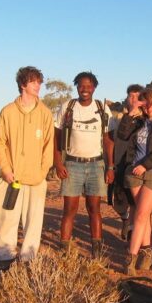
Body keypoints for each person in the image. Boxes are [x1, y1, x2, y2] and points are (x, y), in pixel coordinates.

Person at [0, 66, 54, 271]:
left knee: (33, 221)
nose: (38, 86)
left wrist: (42, 173)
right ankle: (4, 259)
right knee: (5, 219)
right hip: (11, 178)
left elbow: (48, 146)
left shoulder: (44, 113)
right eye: (33, 82)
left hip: (36, 179)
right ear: (22, 84)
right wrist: (6, 170)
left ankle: (28, 259)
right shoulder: (8, 111)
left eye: (39, 82)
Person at [54, 71, 114, 258]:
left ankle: (96, 252)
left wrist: (110, 166)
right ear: (77, 87)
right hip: (72, 164)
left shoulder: (102, 108)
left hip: (96, 165)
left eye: (89, 86)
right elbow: (56, 138)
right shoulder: (68, 107)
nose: (85, 89)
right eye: (81, 85)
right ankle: (64, 251)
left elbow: (108, 140)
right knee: (69, 210)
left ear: (94, 87)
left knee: (94, 209)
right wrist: (58, 163)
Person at [117, 89, 152, 275]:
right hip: (133, 173)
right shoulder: (137, 121)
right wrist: (131, 113)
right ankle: (147, 251)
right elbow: (122, 135)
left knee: (141, 214)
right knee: (144, 214)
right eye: (146, 104)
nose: (150, 107)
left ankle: (130, 258)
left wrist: (145, 165)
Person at [109, 84, 144, 242]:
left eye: (137, 96)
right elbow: (122, 134)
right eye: (131, 96)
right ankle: (125, 219)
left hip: (137, 164)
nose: (134, 99)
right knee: (119, 201)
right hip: (120, 162)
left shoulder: (146, 118)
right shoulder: (119, 117)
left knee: (135, 200)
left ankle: (132, 231)